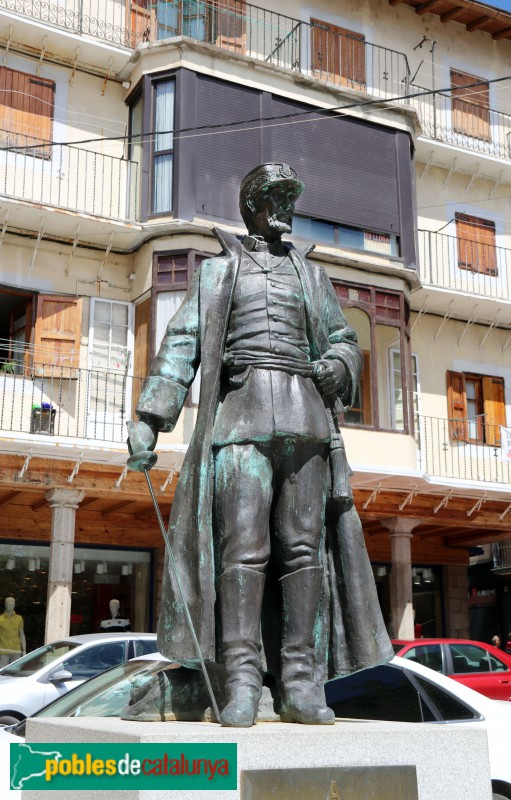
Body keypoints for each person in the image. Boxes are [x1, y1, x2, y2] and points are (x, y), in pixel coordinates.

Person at [127, 162, 393, 727]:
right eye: (275, 198)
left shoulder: (311, 276)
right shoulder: (217, 273)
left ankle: (300, 684)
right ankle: (243, 680)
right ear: (251, 204)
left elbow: (345, 340)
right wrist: (151, 416)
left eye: (289, 199)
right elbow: (181, 343)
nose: (284, 209)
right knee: (242, 552)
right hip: (240, 421)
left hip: (304, 419)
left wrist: (336, 364)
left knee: (303, 551)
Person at [0, 597, 26, 667]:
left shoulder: (19, 618)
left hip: (16, 650)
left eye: (12, 604)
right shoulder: (0, 619)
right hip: (3, 650)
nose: (10, 607)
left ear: (14, 605)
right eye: (8, 604)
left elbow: (22, 634)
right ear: (5, 605)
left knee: (15, 671)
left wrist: (24, 650)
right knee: (2, 671)